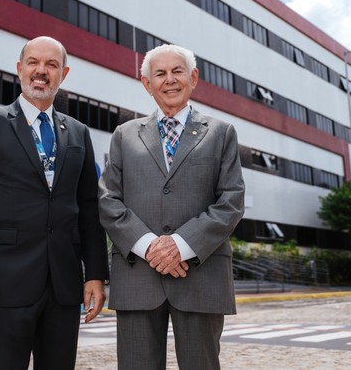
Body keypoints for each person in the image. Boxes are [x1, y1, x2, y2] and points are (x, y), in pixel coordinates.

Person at [0, 36, 109, 370]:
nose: (42, 71)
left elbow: (89, 208)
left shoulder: (78, 133)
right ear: (20, 69)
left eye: (51, 65)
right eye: (34, 62)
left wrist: (95, 274)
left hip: (63, 287)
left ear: (63, 74)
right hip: (4, 286)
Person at [99, 43, 245, 370]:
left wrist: (181, 246)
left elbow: (231, 201)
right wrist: (151, 246)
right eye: (159, 74)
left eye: (177, 71)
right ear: (146, 84)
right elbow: (108, 200)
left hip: (201, 276)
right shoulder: (124, 135)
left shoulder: (221, 133)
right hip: (138, 276)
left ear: (193, 78)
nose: (169, 80)